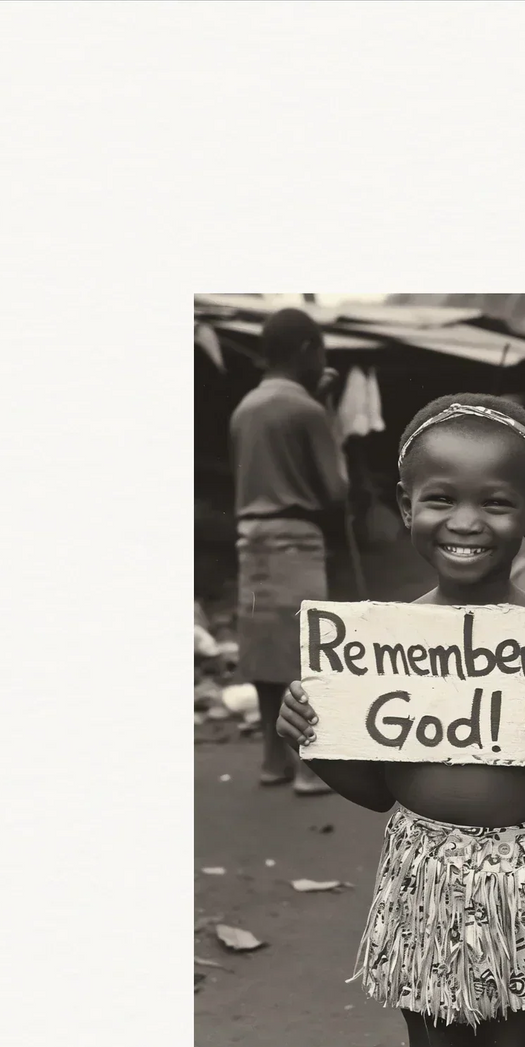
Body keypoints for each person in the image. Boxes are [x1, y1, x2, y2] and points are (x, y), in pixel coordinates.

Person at [276, 393, 525, 1047]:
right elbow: (380, 790)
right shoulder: (382, 647)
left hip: (520, 877)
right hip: (422, 873)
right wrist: (312, 742)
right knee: (434, 1046)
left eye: (495, 503)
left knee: (516, 1046)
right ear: (405, 504)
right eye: (441, 499)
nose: (465, 522)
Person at [230, 307, 346, 795]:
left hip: (252, 549)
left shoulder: (245, 408)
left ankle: (272, 760)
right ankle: (308, 766)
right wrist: (327, 409)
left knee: (263, 648)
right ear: (307, 352)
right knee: (308, 649)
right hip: (296, 544)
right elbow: (336, 490)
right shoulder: (306, 410)